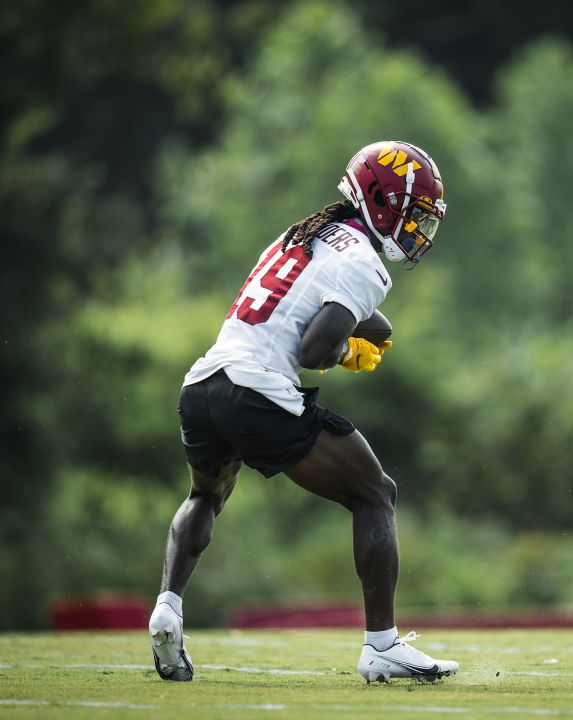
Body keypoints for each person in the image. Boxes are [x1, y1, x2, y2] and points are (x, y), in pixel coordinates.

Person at [148, 140, 458, 683]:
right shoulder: (364, 261)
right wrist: (348, 350)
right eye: (412, 215)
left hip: (204, 383)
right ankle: (382, 646)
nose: (416, 230)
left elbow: (313, 311)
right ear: (382, 201)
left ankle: (167, 607)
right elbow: (315, 349)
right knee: (374, 493)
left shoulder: (302, 233)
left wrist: (364, 329)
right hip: (257, 390)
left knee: (205, 495)